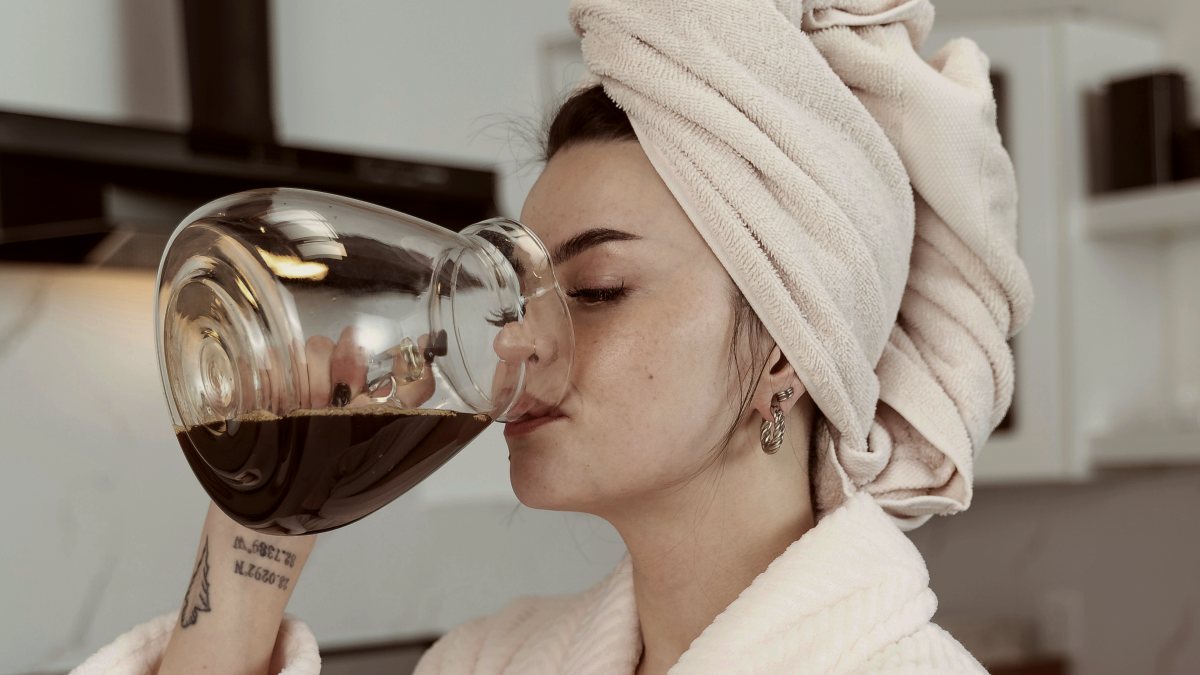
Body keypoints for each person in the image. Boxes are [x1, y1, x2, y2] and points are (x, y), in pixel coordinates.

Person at [74, 0, 1034, 673]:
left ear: (785, 348)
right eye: (519, 290)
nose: (515, 341)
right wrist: (264, 521)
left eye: (599, 287)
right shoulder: (488, 662)